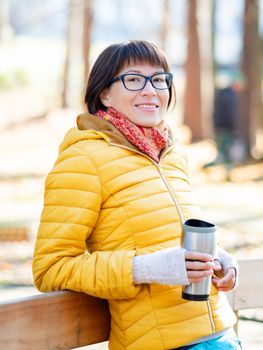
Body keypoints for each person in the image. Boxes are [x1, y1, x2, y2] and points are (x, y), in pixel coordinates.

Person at [33, 40, 241, 350]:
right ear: (104, 93)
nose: (150, 90)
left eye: (159, 79)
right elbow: (51, 267)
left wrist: (220, 257)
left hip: (221, 334)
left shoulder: (170, 153)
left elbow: (168, 233)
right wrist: (146, 269)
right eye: (133, 80)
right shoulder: (84, 158)